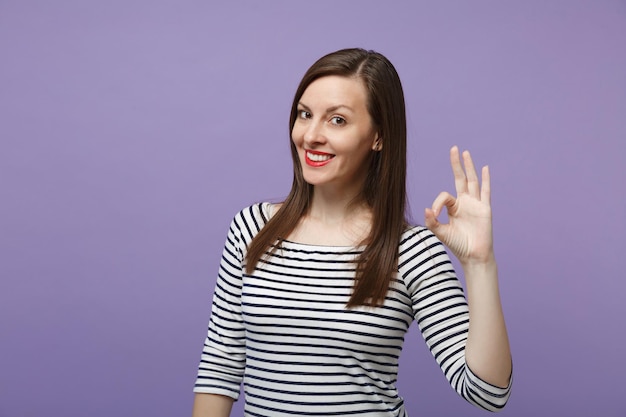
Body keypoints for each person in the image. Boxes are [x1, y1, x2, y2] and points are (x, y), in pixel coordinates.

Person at [191, 48, 512, 417]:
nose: (311, 135)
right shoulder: (251, 229)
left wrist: (480, 264)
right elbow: (220, 366)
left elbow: (488, 392)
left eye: (337, 121)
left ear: (378, 137)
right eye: (305, 114)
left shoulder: (410, 251)